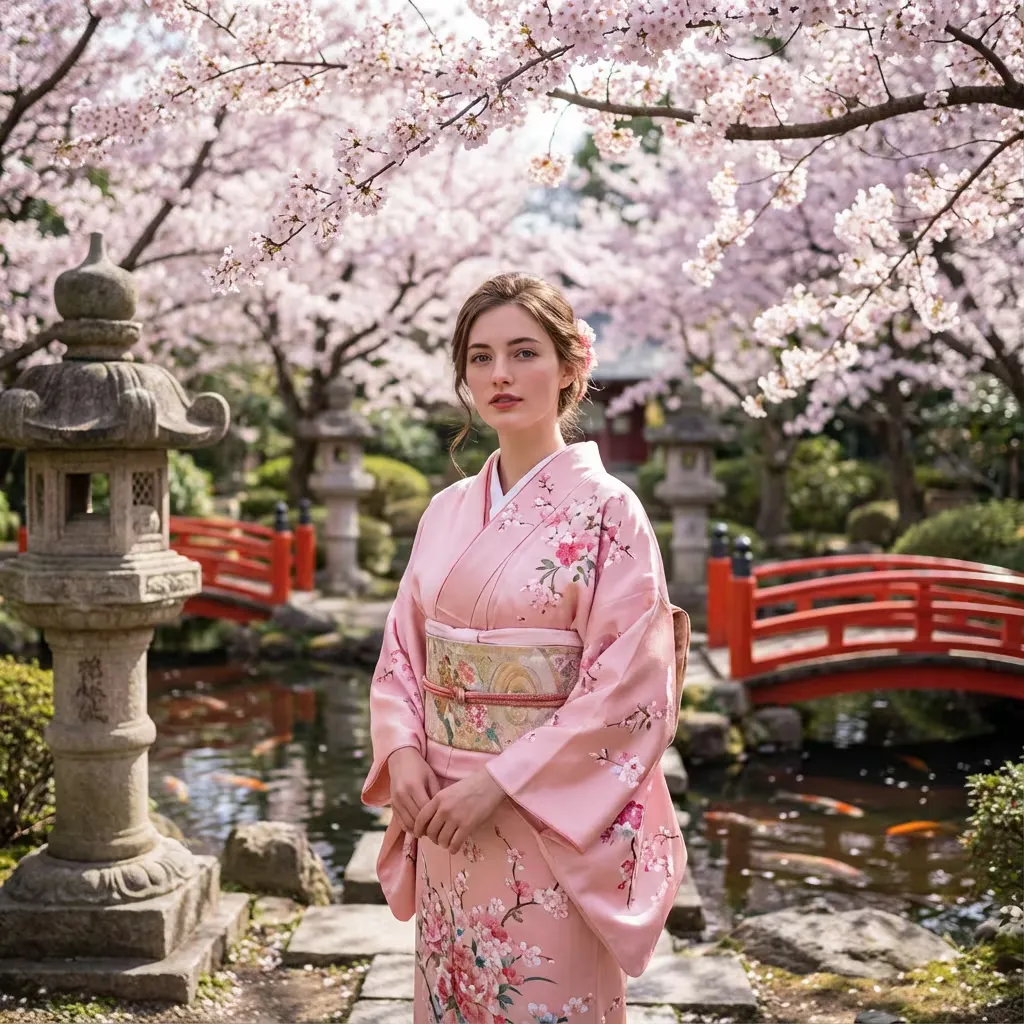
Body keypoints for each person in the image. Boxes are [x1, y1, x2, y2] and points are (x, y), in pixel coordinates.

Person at [361, 273, 690, 1023]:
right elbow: (403, 654)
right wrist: (404, 752)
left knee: (543, 997)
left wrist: (502, 780)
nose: (500, 375)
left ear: (572, 366)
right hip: (443, 811)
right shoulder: (445, 511)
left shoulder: (612, 511)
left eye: (522, 352)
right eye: (480, 358)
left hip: (547, 820)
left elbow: (629, 684)